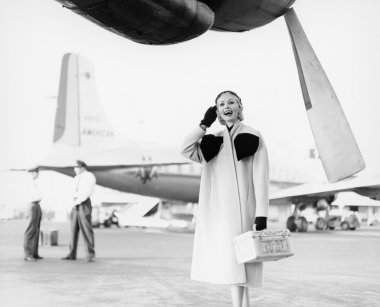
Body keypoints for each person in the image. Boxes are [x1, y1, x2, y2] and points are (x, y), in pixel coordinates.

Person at [181, 91, 269, 307]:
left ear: (240, 107)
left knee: (243, 264)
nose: (226, 106)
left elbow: (261, 175)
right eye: (221, 104)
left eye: (231, 102)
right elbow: (185, 149)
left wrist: (262, 214)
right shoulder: (213, 139)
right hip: (220, 212)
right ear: (217, 111)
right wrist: (203, 124)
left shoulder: (252, 135)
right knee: (232, 265)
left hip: (244, 210)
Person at [62, 160, 96, 262]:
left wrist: (78, 201)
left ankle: (90, 254)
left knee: (86, 230)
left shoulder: (89, 176)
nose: (74, 169)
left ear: (81, 167)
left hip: (83, 203)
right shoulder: (76, 178)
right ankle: (72, 253)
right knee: (73, 230)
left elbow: (86, 192)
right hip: (75, 204)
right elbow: (71, 192)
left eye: (76, 167)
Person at [24, 166, 43, 262]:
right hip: (32, 205)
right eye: (36, 172)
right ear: (31, 173)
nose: (38, 174)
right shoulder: (29, 183)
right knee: (30, 230)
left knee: (36, 230)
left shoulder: (35, 183)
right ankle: (28, 254)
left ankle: (34, 253)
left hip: (37, 205)